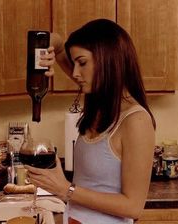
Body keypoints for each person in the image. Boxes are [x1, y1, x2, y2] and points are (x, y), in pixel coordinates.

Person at [25, 19, 156, 224]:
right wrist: (44, 48)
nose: (75, 73)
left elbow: (133, 207)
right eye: (74, 63)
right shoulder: (100, 102)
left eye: (82, 62)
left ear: (108, 60)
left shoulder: (136, 121)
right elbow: (58, 45)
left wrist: (65, 189)